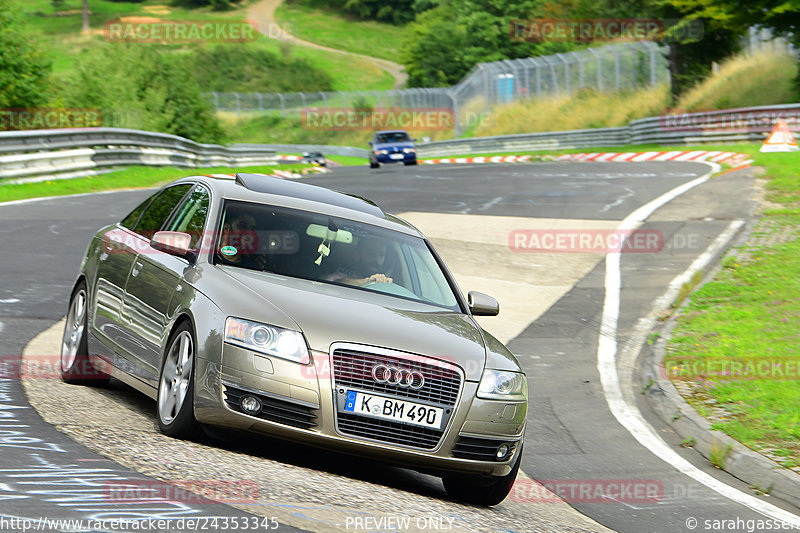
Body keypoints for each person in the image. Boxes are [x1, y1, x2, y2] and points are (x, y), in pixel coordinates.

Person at [326, 236, 393, 286]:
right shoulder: (344, 275)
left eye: (381, 255)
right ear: (357, 255)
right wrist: (368, 281)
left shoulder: (386, 282)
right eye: (371, 253)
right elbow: (332, 282)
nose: (377, 259)